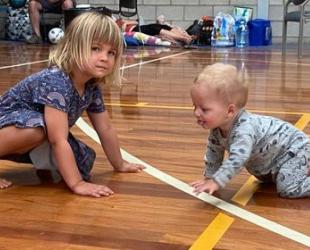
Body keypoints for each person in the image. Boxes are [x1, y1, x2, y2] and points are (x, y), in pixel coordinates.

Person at [0, 11, 145, 197]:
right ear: (73, 46)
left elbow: (105, 128)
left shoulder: (91, 86)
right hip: (12, 125)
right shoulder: (56, 82)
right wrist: (77, 184)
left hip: (28, 134)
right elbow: (57, 139)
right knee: (39, 129)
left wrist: (120, 164)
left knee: (83, 161)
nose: (104, 58)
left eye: (111, 53)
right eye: (95, 48)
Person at [190, 63, 310, 199]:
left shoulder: (244, 129)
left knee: (288, 189)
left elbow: (238, 159)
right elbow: (213, 154)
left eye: (204, 109)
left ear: (230, 111)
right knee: (262, 177)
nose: (196, 113)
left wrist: (216, 181)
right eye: (195, 106)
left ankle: (303, 165)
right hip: (273, 162)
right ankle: (301, 168)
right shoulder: (217, 130)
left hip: (295, 150)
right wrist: (209, 178)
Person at [115, 18, 192, 45]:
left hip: (139, 27)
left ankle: (186, 36)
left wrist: (126, 22)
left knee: (163, 26)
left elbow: (136, 22)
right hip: (136, 30)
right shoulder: (116, 25)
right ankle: (183, 38)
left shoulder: (123, 21)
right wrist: (125, 23)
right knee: (155, 28)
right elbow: (122, 31)